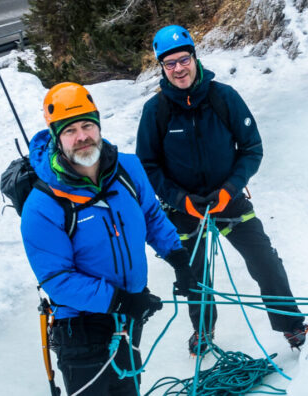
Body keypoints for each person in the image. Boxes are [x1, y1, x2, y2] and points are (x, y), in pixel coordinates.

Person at [136, 25, 308, 355]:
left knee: (264, 260)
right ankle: (203, 329)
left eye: (183, 59)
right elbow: (148, 167)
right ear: (162, 67)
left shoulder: (223, 97)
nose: (178, 68)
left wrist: (231, 189)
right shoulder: (155, 111)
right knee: (194, 274)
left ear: (194, 58)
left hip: (227, 199)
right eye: (169, 63)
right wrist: (180, 200)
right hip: (184, 208)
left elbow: (251, 149)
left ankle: (291, 324)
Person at [20, 82, 197, 395]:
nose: (82, 137)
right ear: (56, 138)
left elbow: (152, 216)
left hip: (129, 316)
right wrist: (120, 301)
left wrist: (178, 259)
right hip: (82, 327)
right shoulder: (42, 205)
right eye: (70, 130)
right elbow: (57, 278)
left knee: (128, 389)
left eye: (88, 125)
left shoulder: (128, 168)